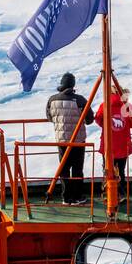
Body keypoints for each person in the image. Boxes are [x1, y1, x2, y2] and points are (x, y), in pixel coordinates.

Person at [47, 72, 93, 205]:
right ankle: (78, 196)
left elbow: (49, 117)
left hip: (61, 140)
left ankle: (66, 197)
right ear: (73, 85)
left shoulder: (52, 99)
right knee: (77, 168)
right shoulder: (80, 100)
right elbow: (89, 119)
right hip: (78, 141)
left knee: (64, 168)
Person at [94, 90, 132, 206]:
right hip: (123, 144)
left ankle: (108, 195)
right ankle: (121, 194)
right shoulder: (127, 107)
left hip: (109, 145)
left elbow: (98, 120)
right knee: (121, 171)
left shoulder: (104, 105)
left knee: (107, 170)